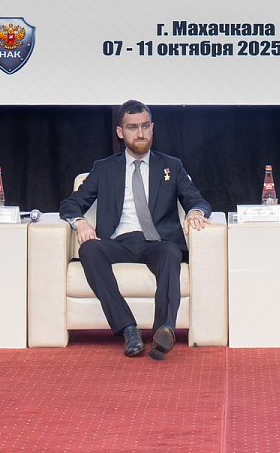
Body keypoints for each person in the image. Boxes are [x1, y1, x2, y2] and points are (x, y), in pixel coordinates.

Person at [59, 100, 211, 360]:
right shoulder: (104, 168)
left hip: (157, 242)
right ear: (120, 132)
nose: (140, 133)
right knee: (89, 249)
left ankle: (164, 330)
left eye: (144, 126)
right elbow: (71, 204)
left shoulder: (171, 166)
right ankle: (129, 329)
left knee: (170, 253)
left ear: (152, 128)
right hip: (117, 241)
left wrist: (196, 212)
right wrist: (80, 222)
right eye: (132, 127)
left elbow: (196, 200)